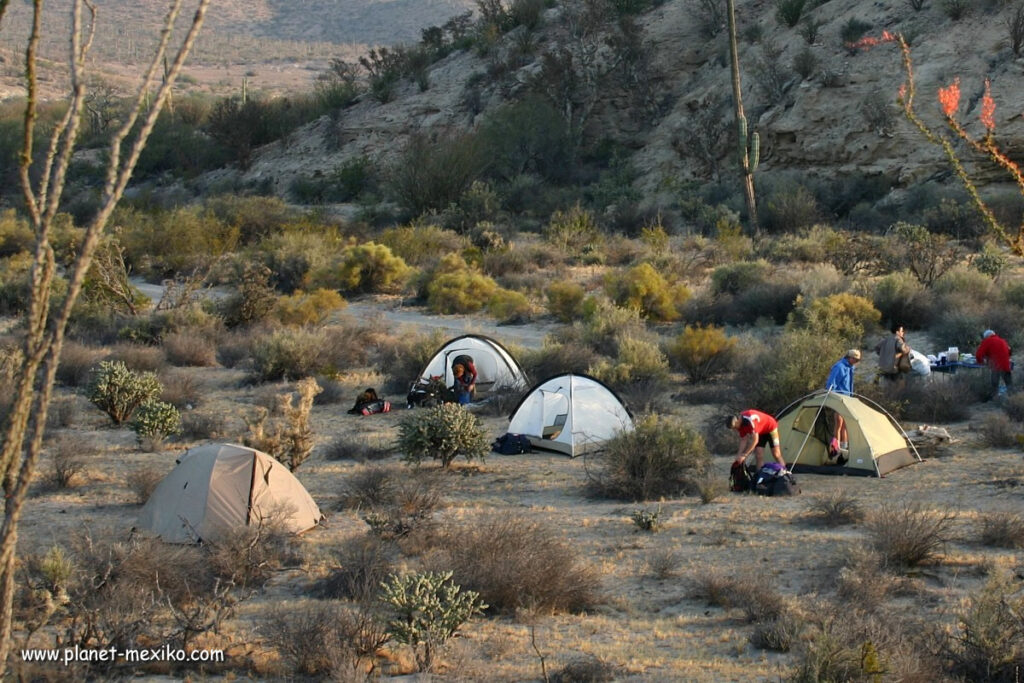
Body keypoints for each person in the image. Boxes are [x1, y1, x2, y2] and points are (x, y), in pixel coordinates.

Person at [825, 349, 861, 455]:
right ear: (850, 358)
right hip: (839, 398)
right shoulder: (839, 366)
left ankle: (845, 448)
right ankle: (836, 448)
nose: (856, 362)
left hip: (847, 399)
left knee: (845, 423)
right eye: (855, 359)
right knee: (839, 423)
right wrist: (832, 396)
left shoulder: (850, 367)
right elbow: (831, 383)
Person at [975, 329, 1012, 400]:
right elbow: (1010, 351)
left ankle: (994, 400)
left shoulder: (987, 341)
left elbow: (978, 355)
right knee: (1009, 384)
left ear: (986, 337)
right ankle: (1014, 398)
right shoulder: (1003, 340)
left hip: (996, 366)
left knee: (994, 385)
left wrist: (980, 362)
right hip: (1006, 365)